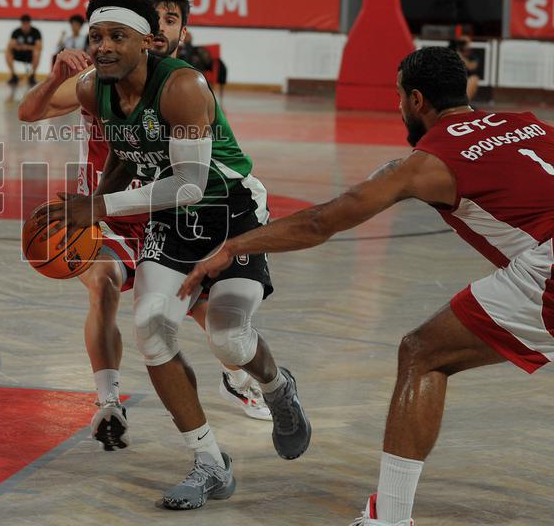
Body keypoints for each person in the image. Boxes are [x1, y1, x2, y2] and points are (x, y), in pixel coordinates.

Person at [178, 46, 554, 525]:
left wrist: (233, 247)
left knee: (423, 355)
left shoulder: (426, 163)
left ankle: (389, 518)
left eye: (399, 97)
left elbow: (322, 222)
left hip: (548, 265)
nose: (399, 107)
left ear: (417, 100)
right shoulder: (529, 123)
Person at [36, 0, 310, 509]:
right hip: (170, 219)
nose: (104, 47)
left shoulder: (183, 86)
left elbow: (190, 183)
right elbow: (123, 152)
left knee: (229, 337)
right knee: (152, 329)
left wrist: (98, 209)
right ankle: (209, 463)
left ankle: (278, 389)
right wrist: (95, 199)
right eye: (96, 37)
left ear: (146, 42)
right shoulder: (97, 90)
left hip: (230, 210)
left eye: (117, 36)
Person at [5, 14, 42, 102]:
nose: (25, 25)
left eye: (27, 23)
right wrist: (18, 46)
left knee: (37, 53)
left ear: (29, 23)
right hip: (19, 54)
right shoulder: (16, 32)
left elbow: (39, 47)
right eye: (23, 23)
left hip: (30, 55)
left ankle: (32, 76)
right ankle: (14, 75)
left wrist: (26, 47)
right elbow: (10, 45)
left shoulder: (36, 32)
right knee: (8, 52)